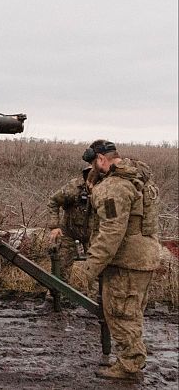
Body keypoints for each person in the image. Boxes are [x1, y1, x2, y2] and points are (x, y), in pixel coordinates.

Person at [75, 140, 162, 381]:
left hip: (127, 262)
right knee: (131, 312)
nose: (93, 169)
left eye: (94, 163)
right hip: (143, 257)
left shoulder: (115, 187)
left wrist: (89, 269)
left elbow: (110, 234)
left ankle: (129, 365)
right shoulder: (139, 179)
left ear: (101, 159)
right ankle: (132, 358)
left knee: (120, 313)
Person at [46, 166, 94, 281]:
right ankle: (58, 290)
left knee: (97, 270)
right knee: (61, 268)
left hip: (94, 234)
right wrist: (54, 226)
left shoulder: (107, 189)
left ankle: (93, 292)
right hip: (69, 232)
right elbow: (53, 201)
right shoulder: (74, 187)